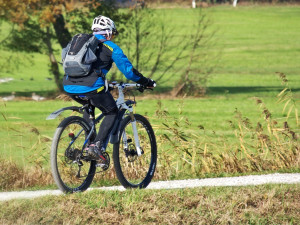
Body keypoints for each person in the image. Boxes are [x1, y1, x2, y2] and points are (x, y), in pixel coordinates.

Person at [62, 15, 155, 161]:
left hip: (69, 86)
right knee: (111, 111)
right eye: (112, 33)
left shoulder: (81, 43)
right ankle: (96, 146)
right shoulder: (110, 47)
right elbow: (129, 71)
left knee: (89, 106)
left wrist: (106, 81)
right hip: (92, 87)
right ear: (109, 32)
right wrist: (145, 81)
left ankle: (89, 145)